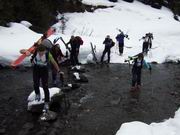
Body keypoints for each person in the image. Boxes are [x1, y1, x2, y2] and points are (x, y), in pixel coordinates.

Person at [31, 45, 62, 112]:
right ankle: (37, 94)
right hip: (36, 69)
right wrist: (24, 51)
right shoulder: (35, 51)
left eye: (42, 52)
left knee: (45, 86)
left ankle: (46, 102)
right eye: (39, 52)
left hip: (44, 70)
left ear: (45, 51)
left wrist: (58, 70)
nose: (41, 54)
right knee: (35, 83)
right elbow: (25, 51)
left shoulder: (48, 54)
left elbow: (54, 62)